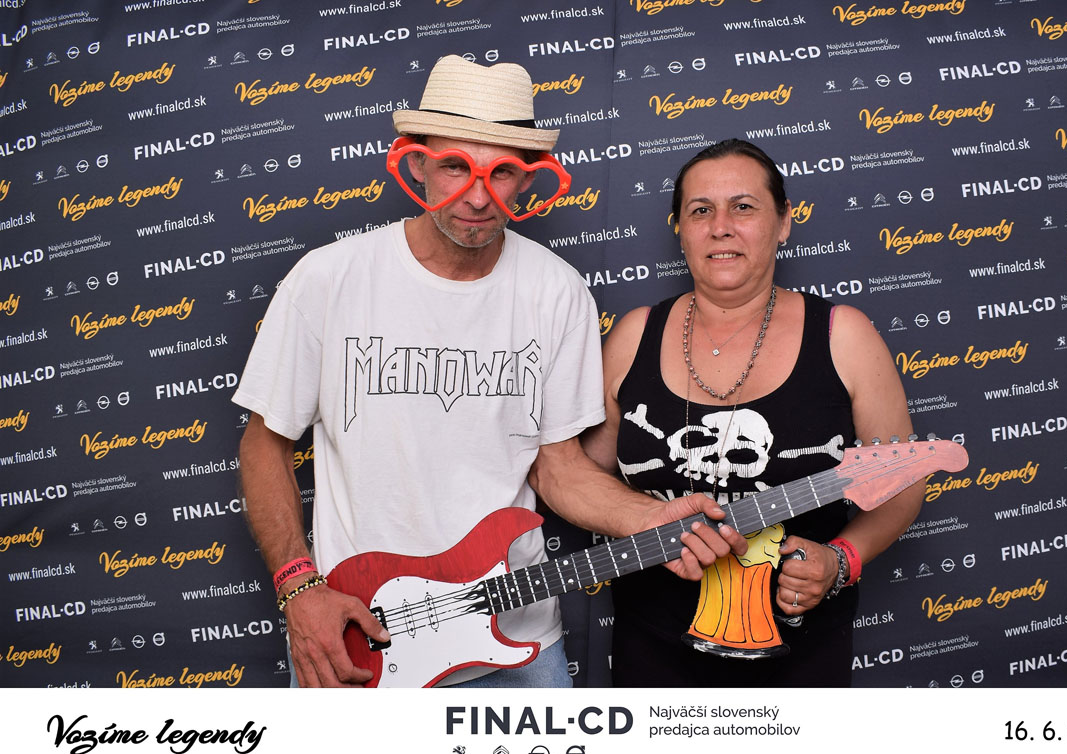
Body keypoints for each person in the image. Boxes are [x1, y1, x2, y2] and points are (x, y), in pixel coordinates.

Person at [232, 56, 741, 688]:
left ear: (528, 179)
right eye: (455, 166)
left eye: (500, 172)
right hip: (360, 632)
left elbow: (556, 467)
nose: (477, 197)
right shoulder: (328, 279)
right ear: (416, 165)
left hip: (516, 640)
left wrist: (649, 519)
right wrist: (298, 589)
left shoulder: (557, 293)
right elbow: (264, 444)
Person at [582, 139, 923, 686]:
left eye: (743, 207)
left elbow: (903, 483)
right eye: (701, 210)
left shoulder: (844, 336)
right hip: (650, 646)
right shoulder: (633, 336)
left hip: (800, 653)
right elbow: (586, 478)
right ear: (680, 229)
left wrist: (842, 560)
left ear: (783, 222)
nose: (721, 227)